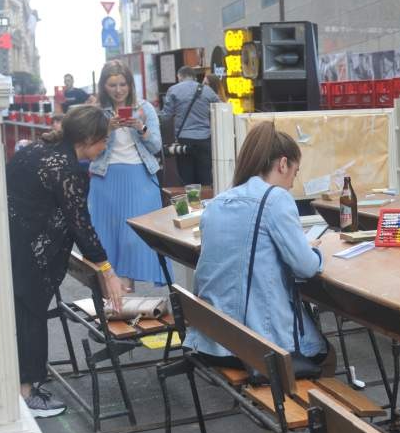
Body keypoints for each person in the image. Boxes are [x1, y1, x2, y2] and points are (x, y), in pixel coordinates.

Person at [183, 122, 332, 376]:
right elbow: (306, 267)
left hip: (210, 342)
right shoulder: (276, 198)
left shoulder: (217, 203)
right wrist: (315, 252)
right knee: (327, 355)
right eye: (295, 173)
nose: (292, 183)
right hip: (254, 347)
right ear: (283, 164)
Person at [6, 105, 125, 417]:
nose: (105, 146)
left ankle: (22, 386)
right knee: (30, 315)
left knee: (21, 315)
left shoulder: (37, 149)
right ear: (86, 139)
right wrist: (107, 270)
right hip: (32, 250)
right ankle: (27, 393)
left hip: (10, 241)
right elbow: (80, 224)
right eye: (103, 139)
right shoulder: (66, 168)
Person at [88, 60, 168, 291]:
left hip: (139, 178)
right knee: (107, 241)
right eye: (112, 85)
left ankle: (125, 302)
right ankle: (117, 302)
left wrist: (140, 127)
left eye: (123, 84)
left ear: (130, 84)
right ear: (103, 86)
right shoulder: (96, 111)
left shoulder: (145, 108)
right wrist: (107, 129)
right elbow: (87, 148)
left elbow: (156, 146)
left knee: (132, 241)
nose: (118, 90)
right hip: (105, 178)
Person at [161, 65, 219, 186]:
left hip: (184, 141)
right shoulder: (208, 91)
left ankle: (191, 198)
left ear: (179, 77)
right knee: (206, 181)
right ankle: (206, 198)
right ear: (194, 77)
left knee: (187, 181)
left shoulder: (173, 90)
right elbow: (220, 110)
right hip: (204, 140)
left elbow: (165, 116)